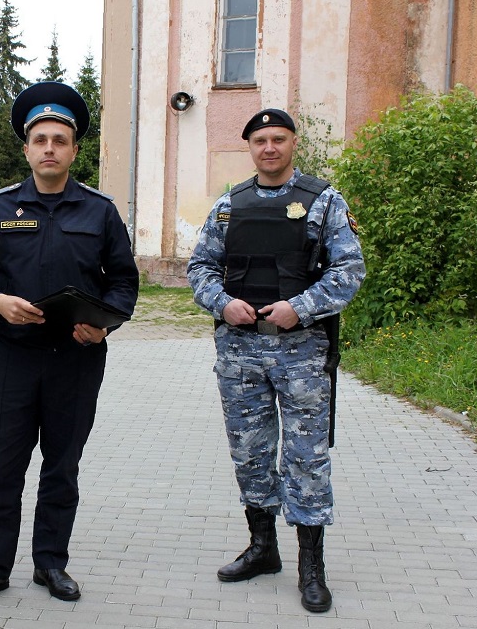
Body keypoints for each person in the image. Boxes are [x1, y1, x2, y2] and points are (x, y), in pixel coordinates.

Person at [0, 81, 139, 608]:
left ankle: (50, 564)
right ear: (27, 148)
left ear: (75, 149)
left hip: (77, 360)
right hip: (13, 359)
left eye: (60, 139)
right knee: (2, 468)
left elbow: (123, 282)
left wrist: (106, 324)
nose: (50, 148)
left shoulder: (100, 211)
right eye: (41, 139)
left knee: (62, 467)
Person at [185, 108, 366, 613]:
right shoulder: (229, 205)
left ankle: (312, 565)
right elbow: (199, 267)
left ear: (292, 143)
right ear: (250, 146)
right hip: (240, 353)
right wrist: (222, 302)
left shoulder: (322, 200)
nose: (269, 148)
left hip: (302, 353)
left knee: (307, 457)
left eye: (278, 139)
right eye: (260, 140)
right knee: (250, 453)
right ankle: (263, 548)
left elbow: (350, 271)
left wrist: (300, 308)